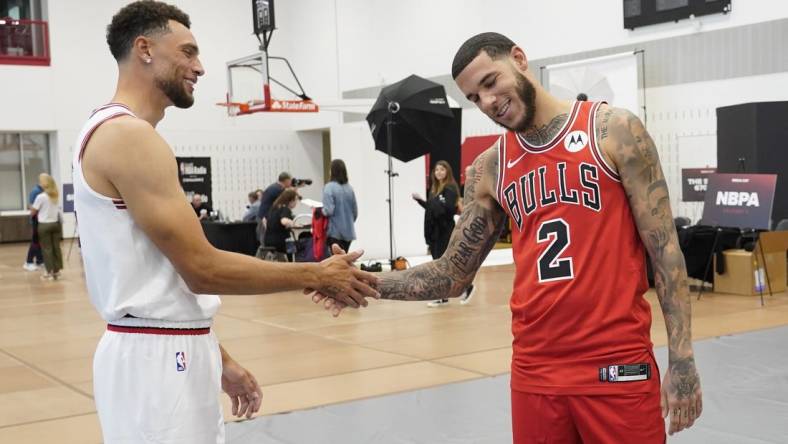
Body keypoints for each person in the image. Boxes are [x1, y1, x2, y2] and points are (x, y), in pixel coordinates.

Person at [315, 32, 701, 442]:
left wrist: (683, 358)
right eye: (473, 97)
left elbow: (665, 251)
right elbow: (452, 274)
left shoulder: (613, 130)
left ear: (519, 59)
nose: (487, 102)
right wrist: (362, 283)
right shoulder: (490, 168)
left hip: (616, 364)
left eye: (489, 82)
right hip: (535, 372)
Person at [75, 2, 379, 442]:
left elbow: (161, 282)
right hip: (154, 362)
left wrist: (218, 357)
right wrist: (317, 273)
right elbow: (203, 270)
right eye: (188, 52)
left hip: (167, 347)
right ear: (144, 49)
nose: (199, 67)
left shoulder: (114, 131)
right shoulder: (127, 136)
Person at [411, 160, 463, 307]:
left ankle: (442, 296)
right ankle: (451, 293)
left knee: (440, 264)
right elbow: (431, 208)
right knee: (437, 262)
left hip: (444, 231)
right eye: (436, 170)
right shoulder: (435, 189)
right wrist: (421, 201)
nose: (439, 172)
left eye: (442, 170)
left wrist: (436, 203)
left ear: (447, 172)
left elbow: (448, 210)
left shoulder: (450, 188)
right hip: (434, 231)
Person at [30, 173, 63, 280]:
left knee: (47, 249)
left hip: (44, 225)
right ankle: (57, 271)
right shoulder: (56, 195)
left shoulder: (41, 197)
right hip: (56, 224)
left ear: (44, 184)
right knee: (56, 248)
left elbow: (33, 212)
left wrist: (31, 208)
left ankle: (49, 272)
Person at [322, 159, 357, 254]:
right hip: (349, 232)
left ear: (332, 171)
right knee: (344, 259)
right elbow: (355, 213)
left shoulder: (329, 187)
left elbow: (328, 210)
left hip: (335, 232)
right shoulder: (349, 188)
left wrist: (319, 211)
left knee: (336, 262)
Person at [263, 189, 301, 260]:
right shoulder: (285, 209)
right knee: (296, 246)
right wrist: (294, 224)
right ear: (291, 200)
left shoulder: (274, 207)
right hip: (281, 241)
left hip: (267, 240)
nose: (296, 203)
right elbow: (284, 221)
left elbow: (264, 220)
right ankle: (292, 263)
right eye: (296, 200)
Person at [23, 179, 45, 271]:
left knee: (39, 242)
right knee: (35, 242)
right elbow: (31, 206)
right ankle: (28, 262)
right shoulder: (36, 191)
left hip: (40, 220)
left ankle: (39, 261)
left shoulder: (41, 191)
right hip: (36, 220)